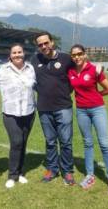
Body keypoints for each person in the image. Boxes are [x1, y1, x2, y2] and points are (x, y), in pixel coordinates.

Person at [67, 44, 108, 195]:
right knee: (87, 143)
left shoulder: (94, 69)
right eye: (74, 55)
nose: (77, 57)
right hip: (81, 111)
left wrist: (96, 97)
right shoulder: (70, 71)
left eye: (79, 54)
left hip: (97, 110)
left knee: (104, 144)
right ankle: (90, 175)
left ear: (84, 54)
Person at [31, 32, 75, 185]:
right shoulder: (35, 59)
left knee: (66, 142)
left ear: (52, 42)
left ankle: (67, 171)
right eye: (40, 44)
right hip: (44, 108)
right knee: (50, 141)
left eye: (46, 43)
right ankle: (52, 169)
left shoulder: (65, 58)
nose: (44, 46)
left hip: (63, 107)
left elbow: (78, 73)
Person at [0, 44, 36, 189]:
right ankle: (12, 175)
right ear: (10, 55)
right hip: (11, 113)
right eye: (14, 52)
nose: (17, 55)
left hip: (29, 112)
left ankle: (20, 173)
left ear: (23, 53)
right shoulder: (2, 70)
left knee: (23, 142)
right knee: (17, 142)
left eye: (19, 52)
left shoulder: (31, 69)